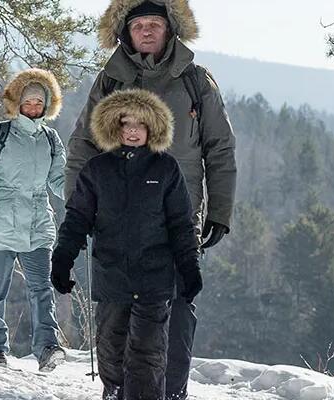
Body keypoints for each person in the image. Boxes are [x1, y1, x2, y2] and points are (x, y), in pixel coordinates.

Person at [66, 1, 237, 397]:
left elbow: (220, 148)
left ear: (171, 29)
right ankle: (119, 390)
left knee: (176, 310)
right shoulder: (110, 81)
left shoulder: (195, 80)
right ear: (124, 32)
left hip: (178, 218)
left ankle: (172, 392)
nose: (146, 31)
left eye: (154, 24)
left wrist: (220, 210)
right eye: (138, 24)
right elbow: (82, 147)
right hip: (117, 220)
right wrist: (80, 209)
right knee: (116, 312)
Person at [52, 89, 203, 400]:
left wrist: (189, 268)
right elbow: (77, 218)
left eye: (140, 125)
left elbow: (180, 224)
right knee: (111, 351)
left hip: (154, 278)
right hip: (112, 276)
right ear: (115, 127)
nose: (133, 131)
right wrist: (63, 258)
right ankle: (114, 393)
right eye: (126, 124)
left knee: (147, 355)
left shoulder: (166, 169)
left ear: (152, 129)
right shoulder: (97, 169)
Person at [0, 68, 69, 371]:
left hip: (37, 222)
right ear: (18, 104)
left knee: (42, 288)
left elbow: (58, 178)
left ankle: (47, 347)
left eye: (39, 103)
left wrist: (79, 198)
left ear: (47, 105)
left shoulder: (51, 139)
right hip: (0, 220)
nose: (34, 108)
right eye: (29, 103)